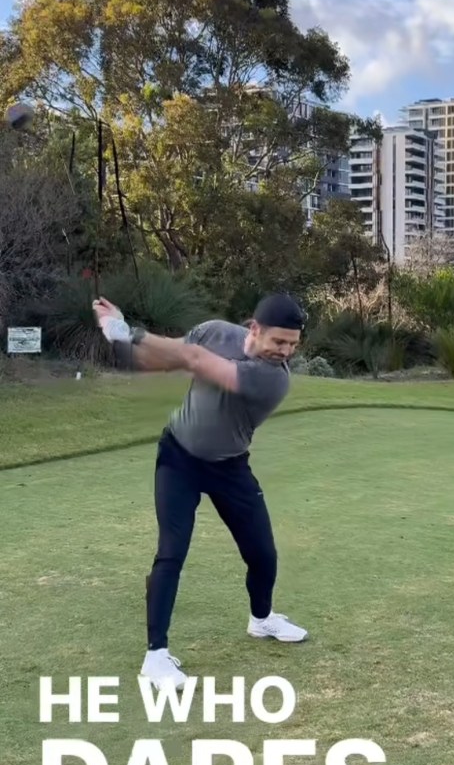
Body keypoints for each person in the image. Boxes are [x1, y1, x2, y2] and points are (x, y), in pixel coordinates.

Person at [92, 292, 309, 691]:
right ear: (254, 329)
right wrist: (123, 340)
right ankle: (156, 656)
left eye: (294, 344)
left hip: (230, 467)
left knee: (263, 553)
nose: (286, 351)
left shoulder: (273, 379)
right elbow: (177, 353)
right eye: (280, 341)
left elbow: (195, 362)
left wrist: (124, 331)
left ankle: (262, 620)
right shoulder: (214, 332)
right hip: (178, 458)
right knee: (171, 552)